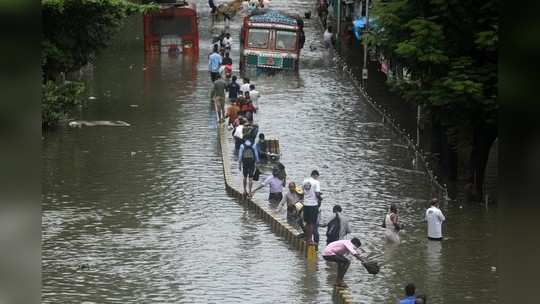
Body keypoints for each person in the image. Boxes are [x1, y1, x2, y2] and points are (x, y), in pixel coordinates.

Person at [303, 170, 322, 244]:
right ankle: (310, 240)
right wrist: (320, 198)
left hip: (305, 204)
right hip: (313, 205)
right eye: (317, 176)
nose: (317, 178)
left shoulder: (304, 181)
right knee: (312, 223)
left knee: (307, 223)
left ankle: (307, 238)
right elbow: (317, 194)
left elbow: (304, 191)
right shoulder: (316, 182)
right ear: (315, 175)